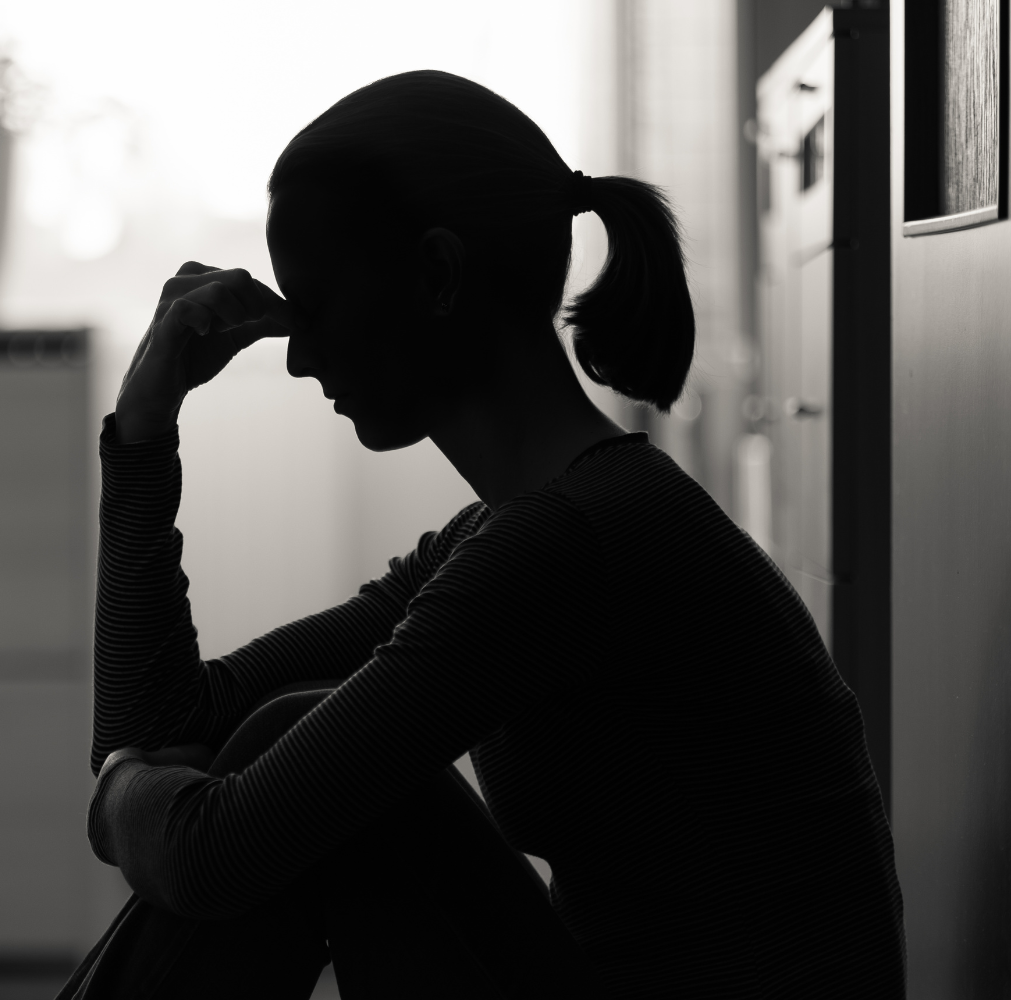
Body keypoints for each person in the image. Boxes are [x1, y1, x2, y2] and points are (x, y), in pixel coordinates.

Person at [59, 70, 905, 999]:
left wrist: (116, 794)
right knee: (281, 740)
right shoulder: (520, 532)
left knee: (306, 767)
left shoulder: (570, 545)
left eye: (318, 304)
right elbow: (162, 722)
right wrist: (143, 427)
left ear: (437, 276)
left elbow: (206, 852)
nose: (299, 358)